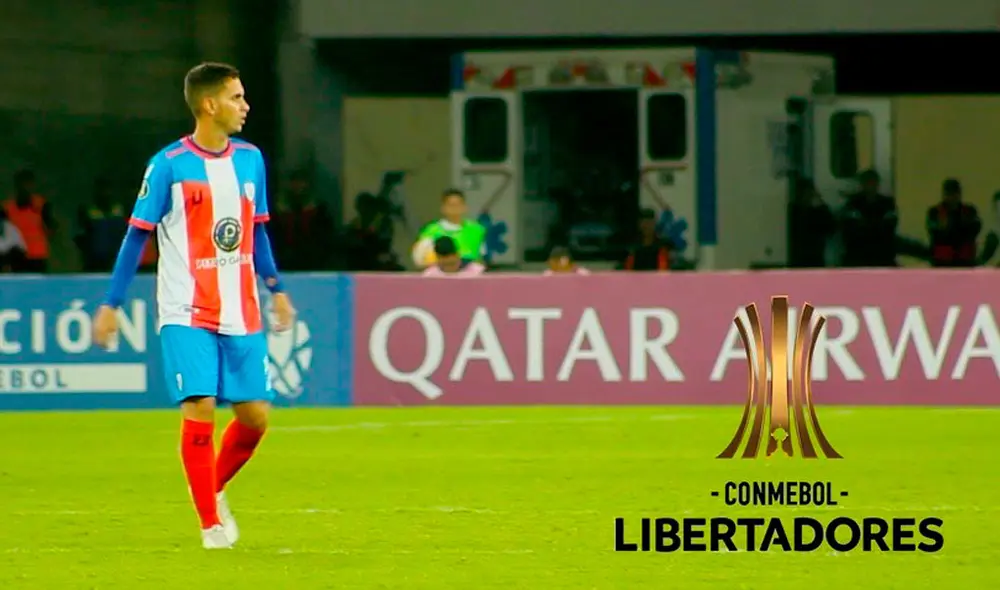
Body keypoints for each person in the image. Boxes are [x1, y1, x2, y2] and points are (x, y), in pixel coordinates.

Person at [91, 62, 296, 550]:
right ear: (209, 104)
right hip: (186, 308)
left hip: (241, 307)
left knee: (255, 418)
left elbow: (258, 229)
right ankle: (211, 526)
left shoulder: (251, 160)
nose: (246, 106)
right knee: (200, 405)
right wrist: (112, 303)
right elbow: (136, 236)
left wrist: (277, 287)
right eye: (237, 97)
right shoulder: (168, 165)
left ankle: (211, 485)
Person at [412, 189, 486, 268]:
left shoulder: (477, 230)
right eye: (451, 205)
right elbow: (420, 259)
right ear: (443, 208)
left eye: (458, 205)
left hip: (470, 276)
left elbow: (481, 258)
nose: (455, 209)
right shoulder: (431, 231)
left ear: (465, 207)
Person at [2, 169, 57, 272]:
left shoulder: (41, 204)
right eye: (22, 184)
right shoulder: (7, 209)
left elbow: (51, 228)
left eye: (28, 184)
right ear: (16, 186)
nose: (25, 188)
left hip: (37, 257)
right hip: (16, 258)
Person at [926, 178, 981, 267]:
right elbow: (935, 233)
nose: (951, 197)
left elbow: (974, 230)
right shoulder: (935, 212)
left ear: (959, 194)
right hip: (942, 262)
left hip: (965, 261)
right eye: (948, 193)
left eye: (954, 193)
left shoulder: (969, 211)